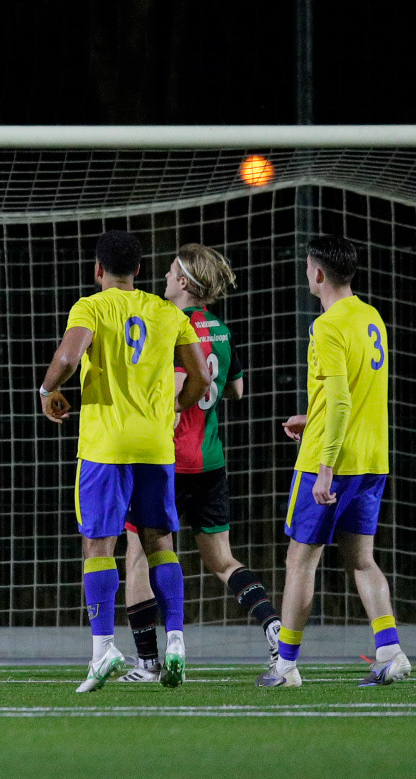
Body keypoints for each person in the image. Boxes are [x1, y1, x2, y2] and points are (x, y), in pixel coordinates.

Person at [39, 230, 209, 691]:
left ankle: (103, 649)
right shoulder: (166, 312)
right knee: (161, 545)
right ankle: (175, 640)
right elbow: (199, 377)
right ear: (139, 270)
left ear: (98, 270)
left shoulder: (90, 307)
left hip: (105, 447)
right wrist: (176, 407)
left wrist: (47, 390)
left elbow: (68, 356)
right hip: (155, 447)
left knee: (99, 546)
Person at [118, 243, 281, 682]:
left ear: (185, 283)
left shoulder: (172, 326)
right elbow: (236, 390)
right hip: (210, 462)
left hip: (167, 462)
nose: (166, 278)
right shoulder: (223, 331)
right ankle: (272, 628)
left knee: (139, 555)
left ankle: (149, 661)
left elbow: (174, 394)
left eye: (172, 272)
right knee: (224, 561)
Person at [257, 235, 409, 689]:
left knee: (300, 560)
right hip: (371, 457)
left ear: (318, 274)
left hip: (332, 461)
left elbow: (342, 400)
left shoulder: (326, 326)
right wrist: (314, 414)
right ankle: (390, 652)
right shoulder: (370, 316)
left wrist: (324, 465)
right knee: (362, 559)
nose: (307, 274)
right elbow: (357, 390)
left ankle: (285, 667)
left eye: (308, 268)